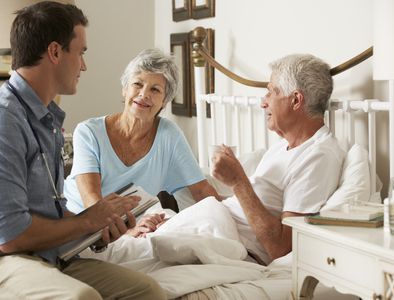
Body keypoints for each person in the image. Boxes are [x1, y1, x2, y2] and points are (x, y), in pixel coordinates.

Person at [0, 2, 165, 299]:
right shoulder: (5, 120)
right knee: (81, 297)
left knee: (148, 290)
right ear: (54, 52)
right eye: (81, 53)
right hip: (9, 259)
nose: (84, 66)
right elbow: (10, 236)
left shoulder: (47, 119)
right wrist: (86, 220)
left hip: (48, 254)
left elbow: (49, 210)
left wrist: (96, 226)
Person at [63, 48, 218, 236]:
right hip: (82, 227)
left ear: (165, 101)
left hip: (133, 225)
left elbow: (202, 191)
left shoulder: (169, 135)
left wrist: (237, 219)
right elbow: (92, 204)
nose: (144, 94)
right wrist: (128, 231)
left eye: (155, 89)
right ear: (124, 89)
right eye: (137, 84)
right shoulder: (88, 132)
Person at [210, 53, 345, 265]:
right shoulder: (282, 147)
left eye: (271, 92)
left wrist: (238, 182)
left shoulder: (319, 156)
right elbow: (241, 207)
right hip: (211, 225)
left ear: (296, 100)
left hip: (228, 245)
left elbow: (281, 248)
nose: (263, 102)